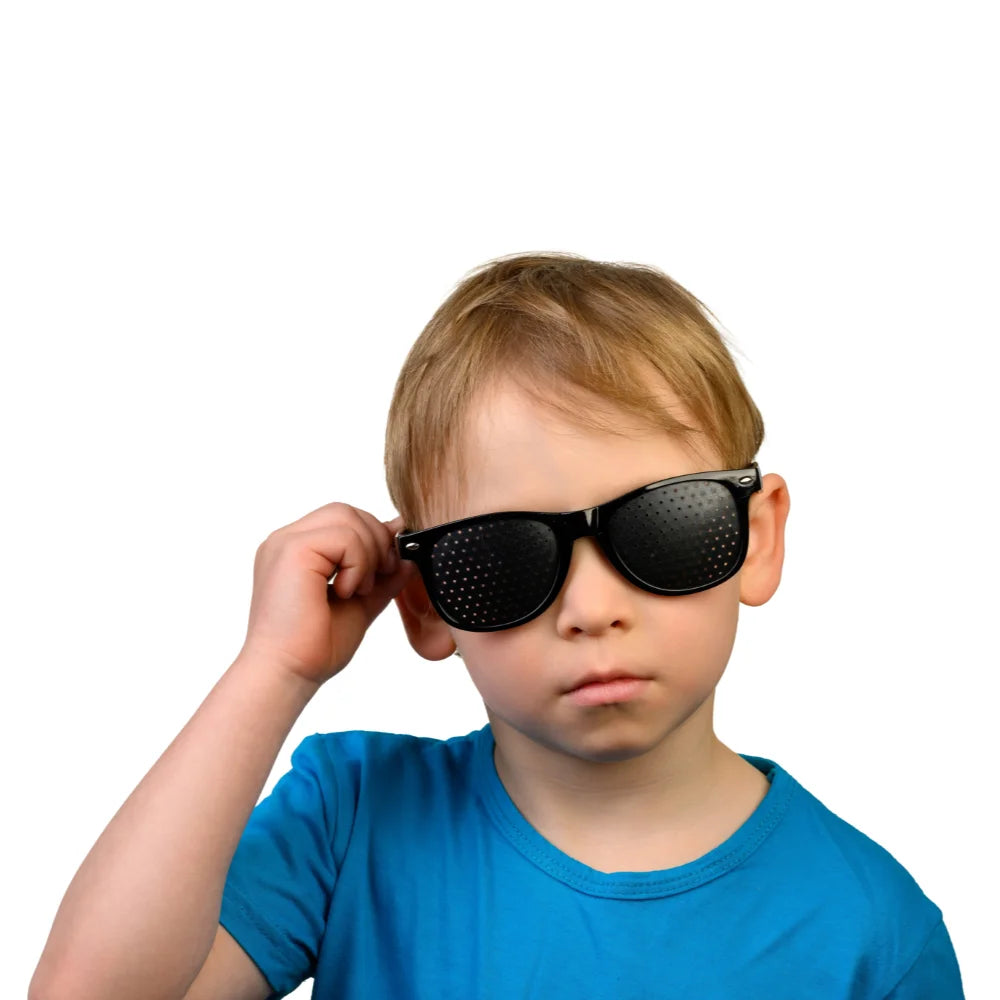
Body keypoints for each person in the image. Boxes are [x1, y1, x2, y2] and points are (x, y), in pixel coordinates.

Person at [30, 253, 964, 999]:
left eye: (664, 526)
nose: (593, 611)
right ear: (427, 599)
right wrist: (272, 668)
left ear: (755, 539)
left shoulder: (872, 935)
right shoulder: (352, 820)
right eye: (503, 561)